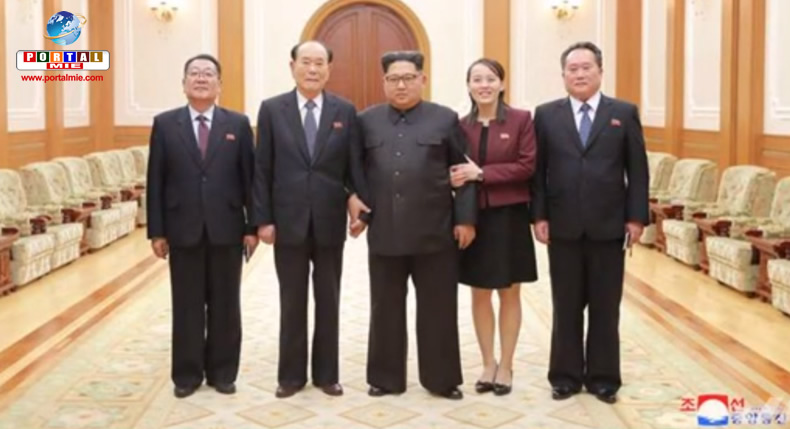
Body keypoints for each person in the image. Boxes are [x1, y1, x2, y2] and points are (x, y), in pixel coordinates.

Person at [531, 41, 649, 404]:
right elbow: (538, 171)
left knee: (605, 306)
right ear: (563, 74)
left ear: (600, 71)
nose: (579, 74)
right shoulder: (546, 114)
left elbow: (637, 170)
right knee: (565, 305)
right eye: (573, 69)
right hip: (562, 225)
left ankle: (603, 378)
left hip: (609, 226)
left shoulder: (623, 113)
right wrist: (539, 215)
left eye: (586, 68)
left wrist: (636, 217)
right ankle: (565, 377)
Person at [356, 50, 477, 400]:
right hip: (385, 232)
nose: (401, 85)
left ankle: (442, 380)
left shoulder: (445, 119)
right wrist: (355, 203)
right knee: (385, 308)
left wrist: (465, 219)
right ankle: (385, 378)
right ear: (384, 82)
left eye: (409, 78)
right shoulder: (366, 121)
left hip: (435, 232)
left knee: (438, 308)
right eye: (394, 79)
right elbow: (355, 171)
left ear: (422, 79)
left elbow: (464, 171)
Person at [252, 40, 369, 399]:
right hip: (287, 221)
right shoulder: (272, 109)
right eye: (306, 62)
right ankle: (290, 376)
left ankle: (326, 374)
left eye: (320, 63)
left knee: (328, 299)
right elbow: (262, 169)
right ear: (292, 66)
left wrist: (361, 208)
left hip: (329, 221)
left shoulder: (344, 110)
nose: (313, 69)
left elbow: (354, 167)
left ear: (329, 69)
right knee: (292, 300)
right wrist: (263, 219)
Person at [146, 53, 258, 398]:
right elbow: (156, 180)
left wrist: (252, 227)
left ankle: (223, 373)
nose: (201, 78)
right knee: (187, 305)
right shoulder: (165, 124)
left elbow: (250, 179)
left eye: (208, 73)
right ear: (183, 84)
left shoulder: (238, 124)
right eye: (194, 73)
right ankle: (187, 375)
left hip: (227, 228)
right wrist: (157, 231)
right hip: (183, 229)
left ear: (219, 84)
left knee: (226, 305)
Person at [450, 58, 537, 396]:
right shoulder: (459, 126)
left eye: (490, 79)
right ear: (468, 86)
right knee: (479, 292)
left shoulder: (521, 120)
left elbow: (527, 167)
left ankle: (507, 364)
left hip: (510, 216)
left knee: (510, 292)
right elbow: (454, 168)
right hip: (475, 218)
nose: (483, 85)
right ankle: (488, 363)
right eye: (477, 79)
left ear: (502, 84)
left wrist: (482, 174)